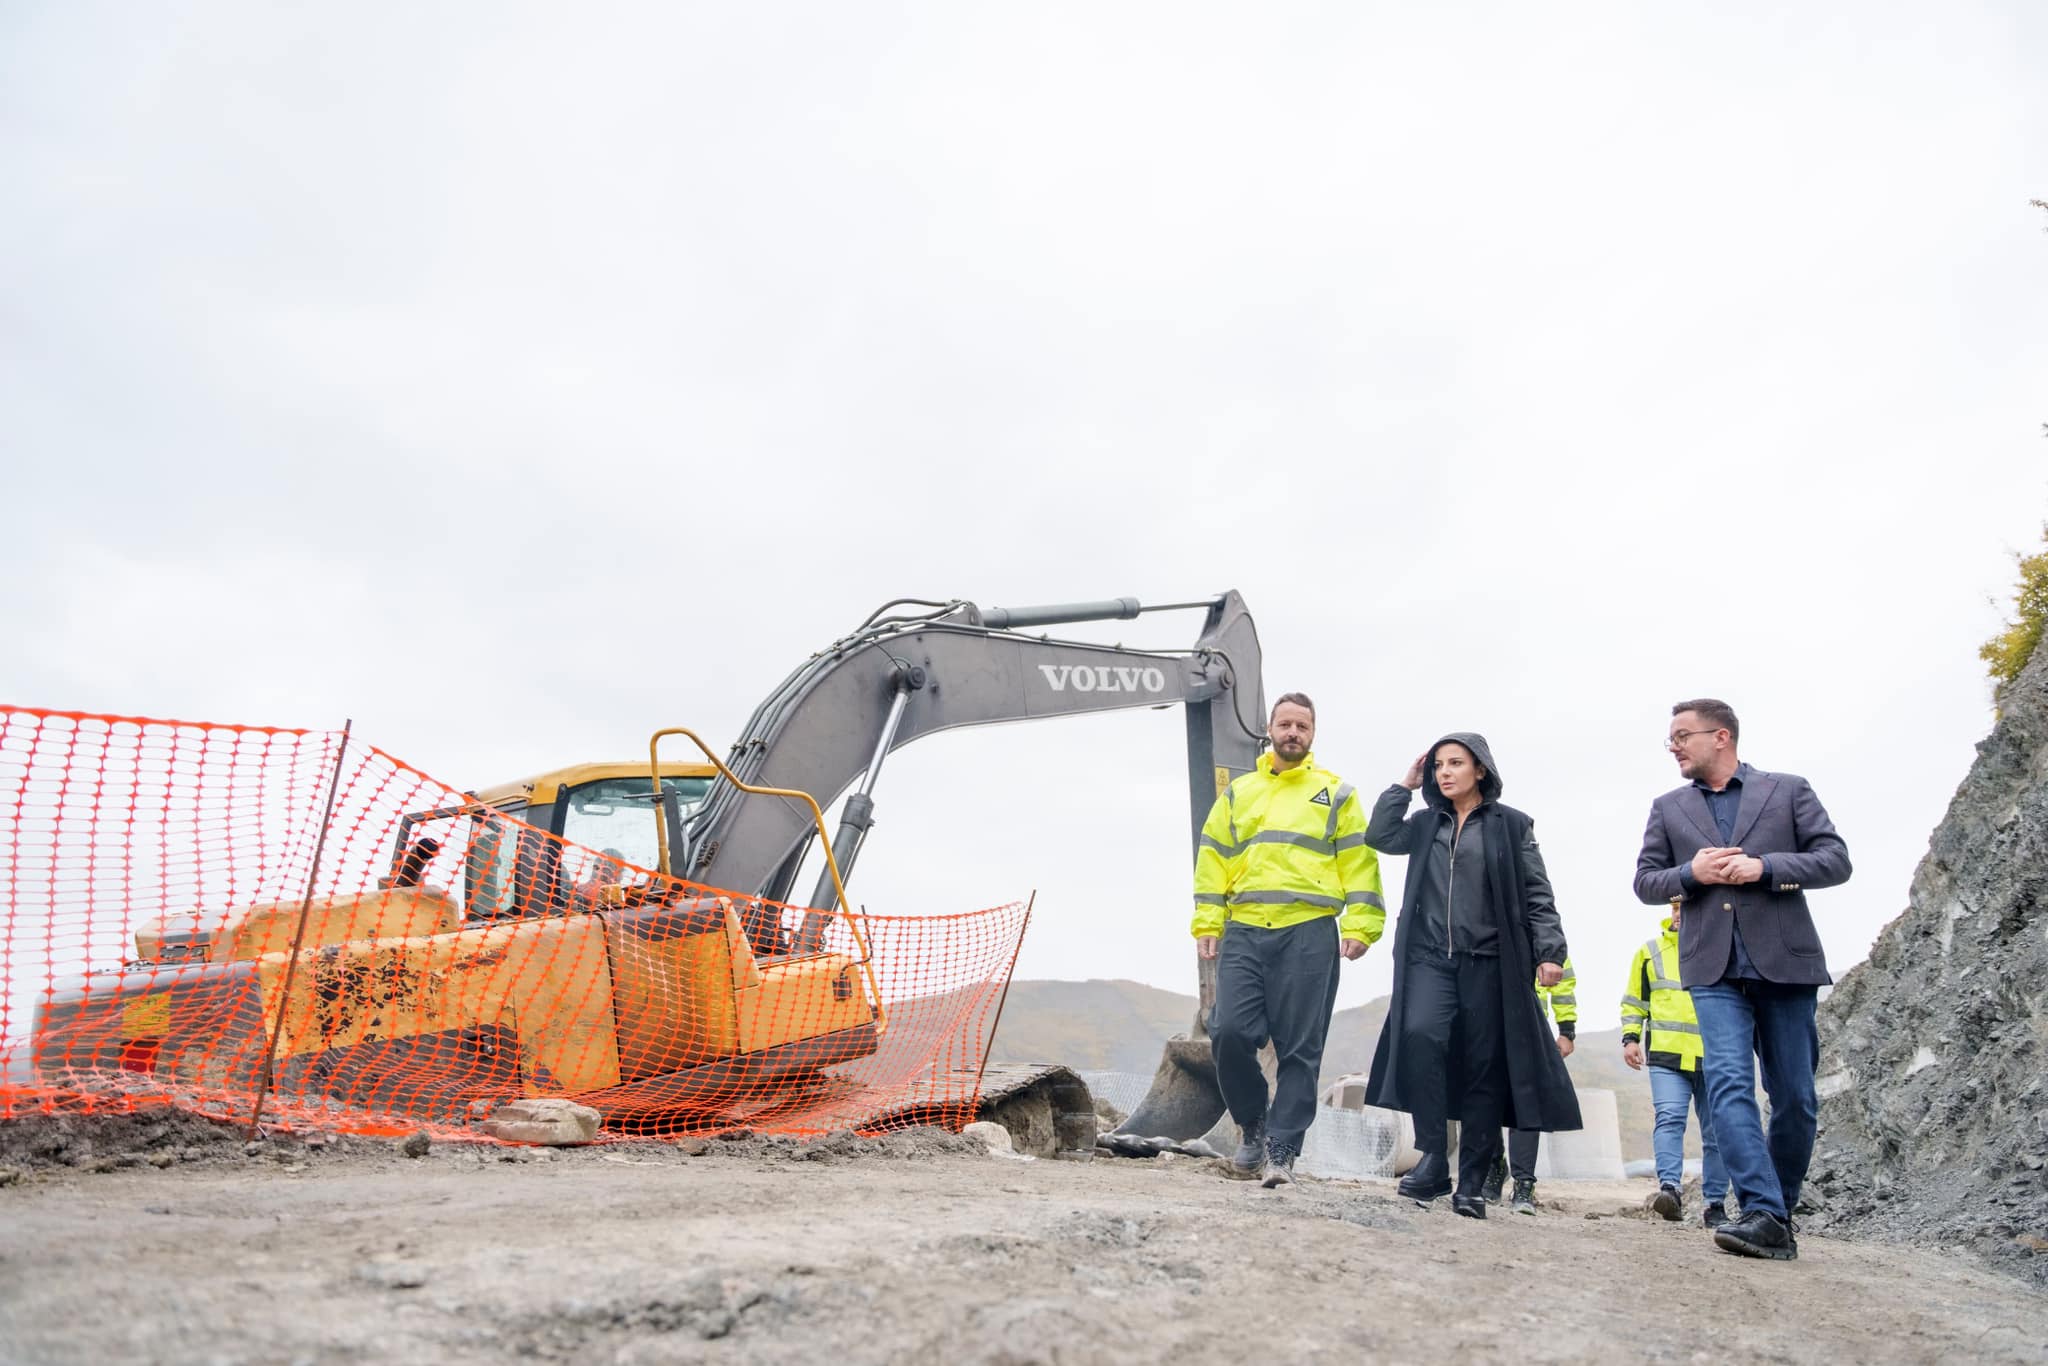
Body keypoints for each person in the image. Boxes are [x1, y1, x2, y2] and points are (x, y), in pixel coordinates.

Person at [1634, 698, 1851, 1261]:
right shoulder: (1668, 808)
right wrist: (1690, 874)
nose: (1674, 746)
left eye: (1683, 735)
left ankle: (1778, 1210)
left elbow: (1835, 860)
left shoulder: (1788, 790)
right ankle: (1761, 1210)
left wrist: (1767, 867)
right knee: (1730, 1085)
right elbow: (1646, 882)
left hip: (1787, 964)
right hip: (1711, 969)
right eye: (1671, 738)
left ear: (1721, 737)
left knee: (1796, 1099)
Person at [1362, 733, 1581, 1218]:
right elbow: (1378, 835)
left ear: (1480, 770)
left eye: (1455, 763)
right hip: (1428, 960)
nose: (1445, 772)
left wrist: (1550, 953)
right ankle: (1434, 1159)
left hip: (1490, 962)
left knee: (1485, 1066)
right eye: (1439, 765)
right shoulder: (1424, 823)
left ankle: (1475, 1179)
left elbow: (1538, 894)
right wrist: (1404, 784)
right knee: (1420, 1037)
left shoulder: (1512, 826)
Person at [1193, 693, 1385, 1189]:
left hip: (1309, 931)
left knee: (1301, 1049)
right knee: (1229, 1031)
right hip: (1246, 928)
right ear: (1271, 730)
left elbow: (1358, 861)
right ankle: (1253, 1126)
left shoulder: (1337, 794)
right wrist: (1208, 920)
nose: (1293, 732)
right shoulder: (1239, 793)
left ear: (1312, 734)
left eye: (1302, 725)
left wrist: (1362, 923)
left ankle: (1282, 1151)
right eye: (1285, 724)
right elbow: (1213, 855)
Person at [1622, 899, 1729, 1228]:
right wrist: (1630, 1038)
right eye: (1676, 909)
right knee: (1669, 1119)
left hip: (1713, 1056)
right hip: (1667, 1056)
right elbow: (1634, 1000)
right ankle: (1670, 1190)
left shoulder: (1723, 948)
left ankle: (1715, 1204)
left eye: (1686, 909)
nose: (1679, 915)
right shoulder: (1650, 952)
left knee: (1717, 1133)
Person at [1481, 956, 1577, 1215]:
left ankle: (1524, 1183)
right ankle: (1494, 1166)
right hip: (1486, 1024)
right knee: (1484, 1100)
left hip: (1530, 1029)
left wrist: (1566, 1030)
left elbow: (1563, 983)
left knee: (1525, 1104)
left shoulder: (1542, 932)